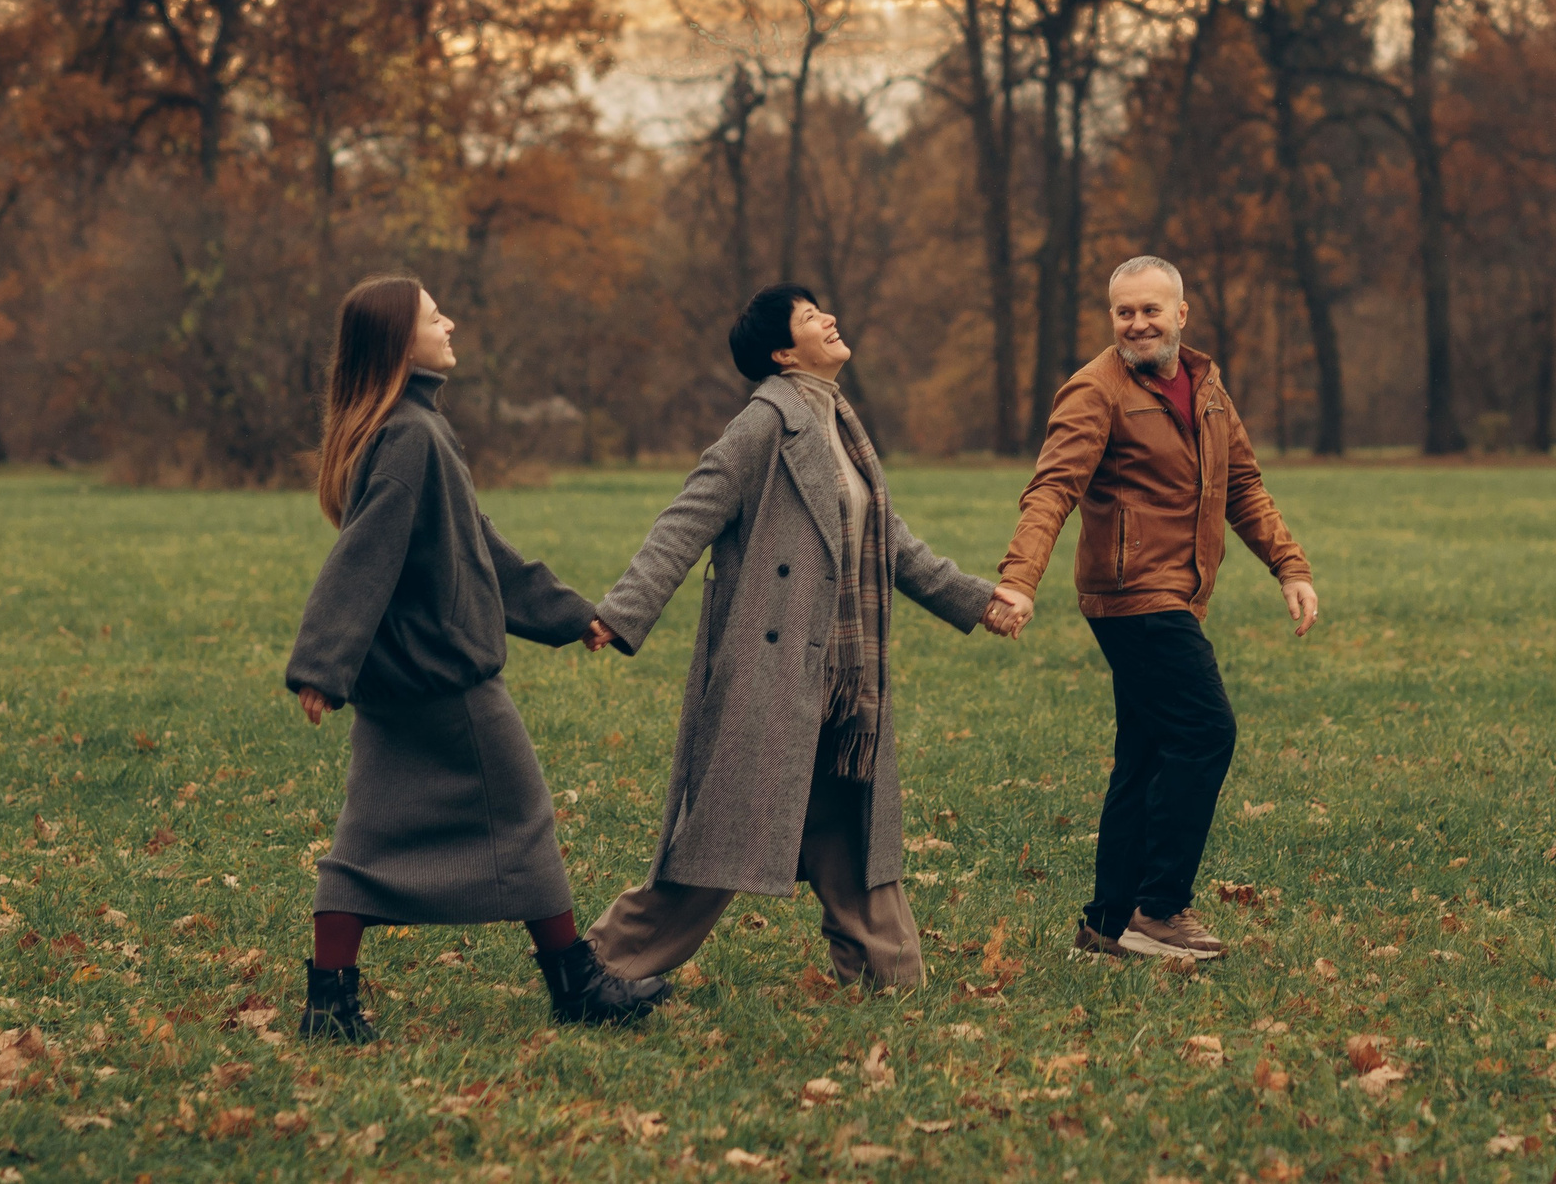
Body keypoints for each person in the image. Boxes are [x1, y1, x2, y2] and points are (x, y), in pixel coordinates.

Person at [583, 285, 1024, 990]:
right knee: (718, 843)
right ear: (784, 352)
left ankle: (886, 970)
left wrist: (977, 600)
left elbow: (890, 544)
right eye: (807, 313)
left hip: (844, 678)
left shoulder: (841, 423)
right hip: (776, 670)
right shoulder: (762, 425)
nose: (827, 315)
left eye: (821, 305)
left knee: (850, 820)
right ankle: (596, 963)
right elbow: (684, 519)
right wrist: (622, 611)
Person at [284, 276, 667, 1042]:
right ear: (401, 340)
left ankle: (329, 1002)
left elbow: (481, 548)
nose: (449, 321)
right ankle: (575, 982)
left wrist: (568, 615)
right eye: (434, 316)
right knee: (522, 814)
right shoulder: (411, 437)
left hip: (402, 680)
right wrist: (321, 662)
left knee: (364, 840)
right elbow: (364, 555)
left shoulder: (412, 428)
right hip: (445, 679)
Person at [992, 256, 1318, 962]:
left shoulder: (1205, 388)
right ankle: (1160, 908)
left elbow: (1244, 487)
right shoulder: (1094, 391)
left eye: (1149, 309)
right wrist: (1020, 579)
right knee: (1206, 730)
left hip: (1180, 592)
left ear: (1180, 313)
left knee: (1144, 755)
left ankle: (1107, 924)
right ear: (1111, 318)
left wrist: (1288, 565)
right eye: (1123, 312)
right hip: (1131, 595)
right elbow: (1051, 489)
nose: (1137, 323)